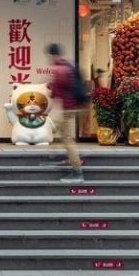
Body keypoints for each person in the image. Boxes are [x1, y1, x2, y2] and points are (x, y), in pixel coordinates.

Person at [46, 43, 86, 183]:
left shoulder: (59, 69)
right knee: (55, 127)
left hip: (68, 107)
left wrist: (50, 90)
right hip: (71, 106)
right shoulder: (68, 64)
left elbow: (56, 91)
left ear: (52, 55)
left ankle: (77, 173)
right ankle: (58, 156)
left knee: (68, 140)